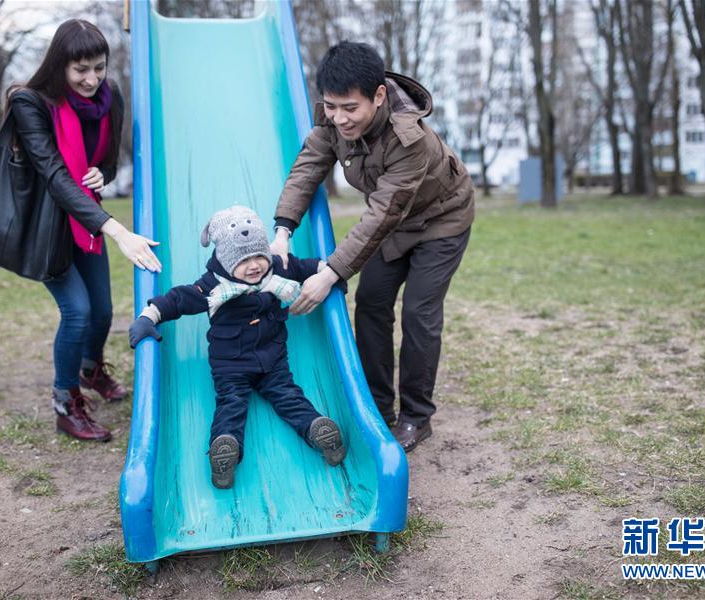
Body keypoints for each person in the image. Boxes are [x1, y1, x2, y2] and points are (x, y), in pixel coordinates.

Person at [270, 41, 474, 453]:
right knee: (371, 302)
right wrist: (282, 230)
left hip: (441, 220)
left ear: (378, 96)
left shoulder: (408, 138)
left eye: (350, 108)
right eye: (331, 106)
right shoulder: (333, 122)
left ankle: (417, 417)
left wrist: (329, 273)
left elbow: (383, 213)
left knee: (419, 313)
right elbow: (307, 169)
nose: (339, 118)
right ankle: (379, 407)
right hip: (394, 223)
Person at [7, 19, 162, 442]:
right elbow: (55, 177)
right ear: (60, 66)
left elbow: (109, 161)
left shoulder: (111, 99)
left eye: (98, 67)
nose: (91, 79)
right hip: (46, 227)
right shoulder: (30, 103)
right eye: (80, 70)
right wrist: (118, 231)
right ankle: (65, 402)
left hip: (86, 221)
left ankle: (91, 370)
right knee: (77, 312)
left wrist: (102, 174)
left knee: (103, 312)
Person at [128, 206, 346, 489]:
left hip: (272, 360)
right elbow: (179, 300)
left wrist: (330, 274)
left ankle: (317, 430)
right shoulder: (213, 285)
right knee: (231, 404)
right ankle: (225, 448)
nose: (254, 265)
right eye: (243, 260)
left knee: (288, 396)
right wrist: (148, 317)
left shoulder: (278, 267)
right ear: (227, 260)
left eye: (258, 256)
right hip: (230, 365)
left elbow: (309, 267)